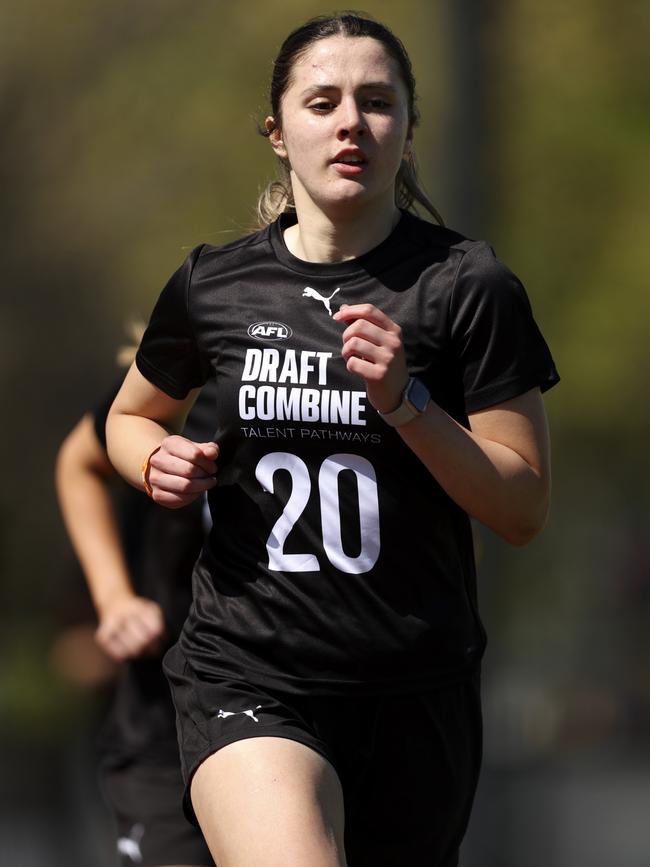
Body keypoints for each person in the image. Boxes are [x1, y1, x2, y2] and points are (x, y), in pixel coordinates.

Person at [106, 12, 560, 866]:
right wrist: (152, 460)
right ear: (279, 132)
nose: (351, 121)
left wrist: (408, 402)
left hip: (417, 692)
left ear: (408, 130)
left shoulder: (470, 286)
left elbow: (523, 505)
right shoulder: (214, 283)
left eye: (378, 101)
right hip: (247, 675)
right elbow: (129, 419)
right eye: (323, 101)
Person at [56, 344, 216, 867]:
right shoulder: (172, 393)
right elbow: (77, 462)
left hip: (309, 719)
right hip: (163, 728)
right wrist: (115, 601)